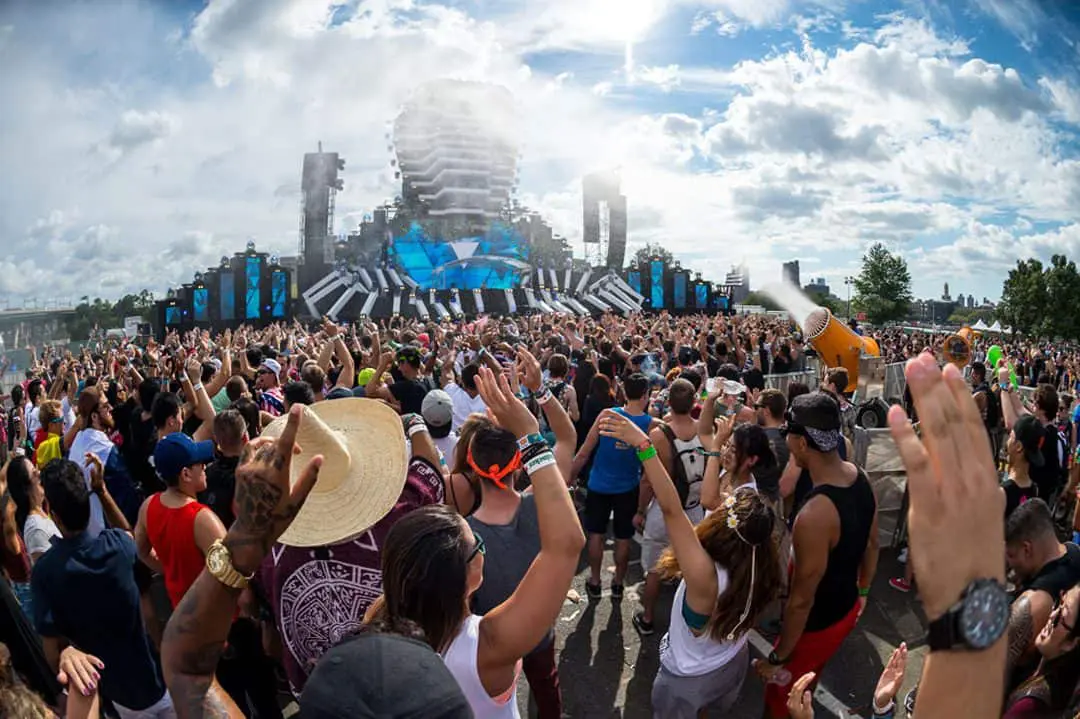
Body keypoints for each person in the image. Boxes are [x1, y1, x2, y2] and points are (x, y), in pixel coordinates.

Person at [600, 407, 781, 717]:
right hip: (731, 663)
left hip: (688, 677)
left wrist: (644, 447)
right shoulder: (761, 563)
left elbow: (671, 508)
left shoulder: (703, 572)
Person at [258, 399, 446, 695]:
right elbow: (430, 475)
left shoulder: (268, 549)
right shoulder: (399, 515)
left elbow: (266, 630)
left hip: (320, 695)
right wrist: (415, 424)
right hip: (404, 684)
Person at [758, 392, 879, 718]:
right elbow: (872, 545)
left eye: (790, 436)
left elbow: (801, 601)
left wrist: (778, 657)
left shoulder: (814, 516)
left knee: (782, 700)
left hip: (814, 627)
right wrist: (863, 593)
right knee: (808, 685)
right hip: (845, 610)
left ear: (801, 443)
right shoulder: (862, 478)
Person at [30, 458, 174, 718]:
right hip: (159, 681)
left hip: (116, 699)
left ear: (52, 511)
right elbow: (131, 539)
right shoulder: (119, 547)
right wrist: (102, 491)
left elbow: (53, 655)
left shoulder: (45, 575)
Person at [572, 372, 655, 600]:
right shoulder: (650, 424)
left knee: (596, 535)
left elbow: (583, 453)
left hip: (598, 486)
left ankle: (596, 580)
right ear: (646, 395)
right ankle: (618, 583)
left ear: (623, 392)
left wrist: (567, 480)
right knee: (623, 538)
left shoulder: (607, 415)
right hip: (628, 488)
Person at [633, 379, 707, 636]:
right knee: (690, 570)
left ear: (669, 403)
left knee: (654, 570)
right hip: (695, 511)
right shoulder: (705, 431)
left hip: (663, 512)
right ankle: (685, 626)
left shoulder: (657, 435)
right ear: (693, 403)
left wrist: (640, 511)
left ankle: (648, 618)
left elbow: (647, 480)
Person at [134, 433, 223, 608]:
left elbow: (142, 551)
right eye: (199, 463)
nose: (205, 466)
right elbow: (230, 577)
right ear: (186, 474)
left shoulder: (148, 506)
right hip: (212, 618)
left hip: (180, 611)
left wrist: (172, 571)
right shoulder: (202, 519)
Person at [1004, 498, 1080, 690]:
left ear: (1027, 548)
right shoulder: (1075, 551)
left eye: (1012, 555)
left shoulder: (1029, 604)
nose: (1010, 564)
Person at [68, 387, 142, 535]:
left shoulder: (79, 439)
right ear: (94, 416)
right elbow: (127, 492)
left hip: (86, 530)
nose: (111, 409)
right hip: (106, 531)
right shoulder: (103, 448)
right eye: (105, 406)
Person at [1004, 582, 1080, 717]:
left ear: (1072, 643)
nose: (1052, 615)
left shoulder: (1031, 707)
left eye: (1060, 617)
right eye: (1059, 602)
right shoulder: (1037, 664)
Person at [1003, 415, 1044, 518]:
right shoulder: (1034, 490)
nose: (1007, 442)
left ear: (1018, 446)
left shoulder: (1003, 493)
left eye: (1011, 437)